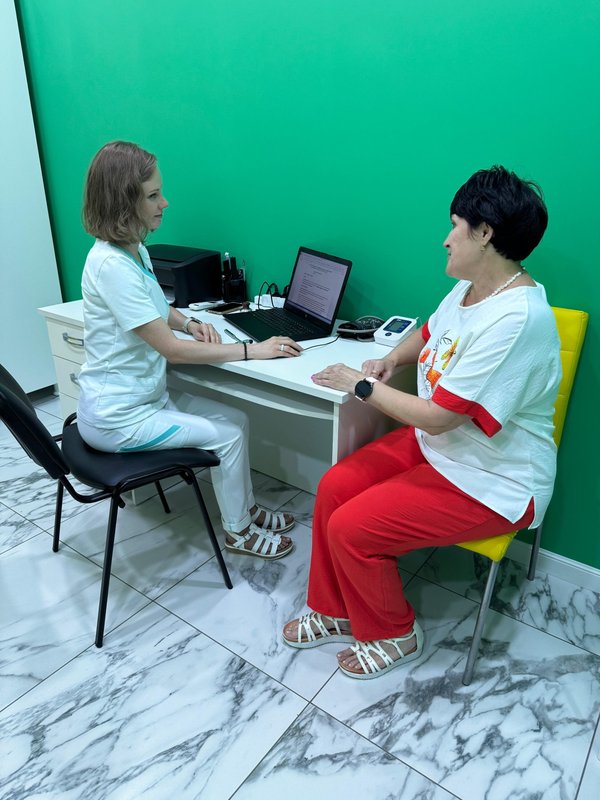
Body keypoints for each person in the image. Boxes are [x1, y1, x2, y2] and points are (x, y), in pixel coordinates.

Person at [283, 166, 561, 678]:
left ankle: (396, 633)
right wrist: (392, 358)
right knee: (335, 487)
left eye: (455, 226)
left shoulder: (518, 319)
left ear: (484, 233)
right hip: (447, 450)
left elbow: (438, 418)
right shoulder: (472, 287)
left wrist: (361, 384)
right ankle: (335, 608)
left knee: (352, 529)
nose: (445, 239)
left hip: (495, 479)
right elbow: (431, 332)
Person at [77, 140, 303, 559]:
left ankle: (245, 509)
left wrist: (190, 323)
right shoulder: (110, 267)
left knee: (236, 419)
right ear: (124, 204)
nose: (165, 202)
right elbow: (173, 351)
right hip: (118, 419)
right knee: (228, 437)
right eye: (152, 195)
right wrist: (252, 350)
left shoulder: (134, 250)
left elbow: (157, 308)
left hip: (145, 400)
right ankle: (238, 532)